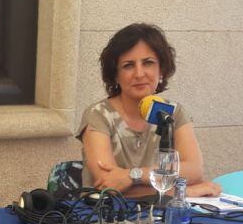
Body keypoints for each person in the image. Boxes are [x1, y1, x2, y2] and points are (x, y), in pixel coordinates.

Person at [79, 23, 219, 199]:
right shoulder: (98, 114)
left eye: (148, 63)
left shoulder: (173, 113)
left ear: (161, 69)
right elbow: (108, 185)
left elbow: (194, 170)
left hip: (161, 215)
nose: (139, 73)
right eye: (128, 65)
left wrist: (132, 176)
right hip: (104, 216)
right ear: (115, 75)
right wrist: (179, 191)